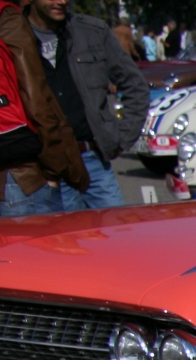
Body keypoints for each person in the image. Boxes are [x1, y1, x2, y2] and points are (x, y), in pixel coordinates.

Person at [24, 0, 148, 211]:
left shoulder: (92, 31)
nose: (62, 1)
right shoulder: (12, 35)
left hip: (92, 161)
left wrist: (122, 137)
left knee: (115, 236)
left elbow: (135, 85)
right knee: (53, 241)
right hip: (41, 166)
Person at [0, 0, 86, 215]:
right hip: (20, 175)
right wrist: (55, 164)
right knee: (38, 247)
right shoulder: (7, 17)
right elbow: (35, 94)